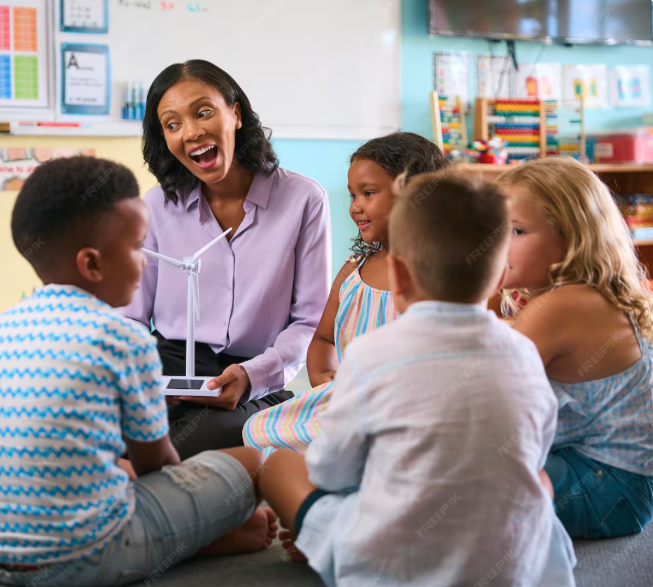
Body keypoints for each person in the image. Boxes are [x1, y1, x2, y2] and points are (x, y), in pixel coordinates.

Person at [0, 157, 278, 586]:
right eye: (136, 247)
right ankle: (204, 540)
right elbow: (156, 468)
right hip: (87, 557)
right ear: (92, 264)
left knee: (119, 474)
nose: (146, 262)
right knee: (254, 461)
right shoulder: (123, 340)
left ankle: (187, 538)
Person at [259, 171, 576, 587]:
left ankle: (315, 538)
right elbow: (534, 452)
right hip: (511, 564)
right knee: (539, 484)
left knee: (279, 466)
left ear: (399, 275)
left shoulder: (371, 355)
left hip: (390, 566)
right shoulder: (522, 352)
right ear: (500, 278)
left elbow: (331, 470)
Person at [122, 60, 332, 459]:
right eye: (172, 124)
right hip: (165, 366)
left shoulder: (304, 200)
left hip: (252, 376)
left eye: (204, 112)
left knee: (185, 447)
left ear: (235, 114)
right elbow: (130, 318)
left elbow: (309, 322)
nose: (192, 132)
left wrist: (253, 376)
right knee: (94, 431)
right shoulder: (156, 206)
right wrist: (142, 380)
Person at [243, 133, 448, 455]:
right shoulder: (353, 271)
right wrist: (323, 378)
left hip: (404, 410)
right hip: (346, 399)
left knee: (319, 450)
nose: (356, 208)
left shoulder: (444, 275)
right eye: (353, 196)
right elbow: (323, 339)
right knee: (257, 430)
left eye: (368, 193)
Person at [498, 157, 653, 538]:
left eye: (516, 232)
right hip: (616, 476)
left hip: (607, 484)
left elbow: (487, 385)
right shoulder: (590, 295)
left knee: (447, 485)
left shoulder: (563, 305)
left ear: (572, 239)